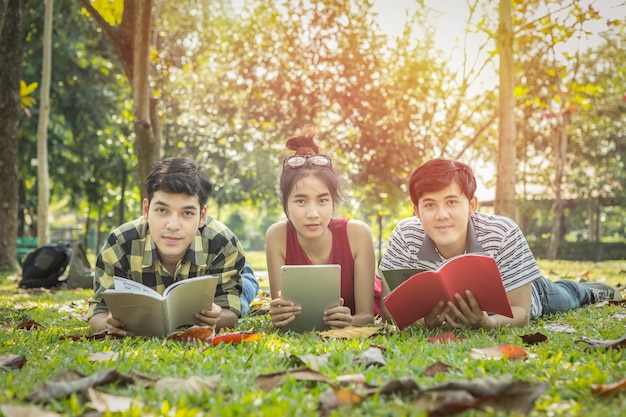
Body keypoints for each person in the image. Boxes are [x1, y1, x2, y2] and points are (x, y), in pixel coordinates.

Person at [378, 158, 622, 330]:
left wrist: (488, 323)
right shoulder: (405, 234)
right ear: (416, 211)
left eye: (451, 202)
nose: (441, 214)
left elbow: (522, 312)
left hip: (530, 294)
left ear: (472, 205)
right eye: (430, 205)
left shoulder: (501, 231)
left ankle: (590, 290)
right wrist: (423, 323)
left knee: (568, 296)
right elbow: (390, 310)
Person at [87, 157, 259, 335]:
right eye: (162, 210)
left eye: (187, 213)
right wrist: (107, 324)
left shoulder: (222, 244)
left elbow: (231, 313)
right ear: (146, 210)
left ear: (201, 216)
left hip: (226, 269)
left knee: (244, 297)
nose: (173, 225)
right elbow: (98, 311)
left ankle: (247, 276)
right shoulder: (120, 244)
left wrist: (217, 317)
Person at [265, 127, 380, 329]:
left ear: (333, 201)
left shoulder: (357, 234)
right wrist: (279, 315)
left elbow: (366, 316)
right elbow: (283, 315)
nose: (313, 213)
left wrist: (350, 321)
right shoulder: (277, 236)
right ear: (286, 203)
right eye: (301, 201)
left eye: (322, 200)